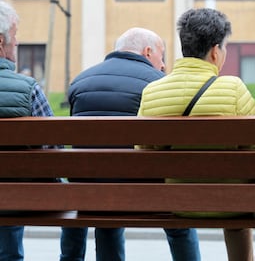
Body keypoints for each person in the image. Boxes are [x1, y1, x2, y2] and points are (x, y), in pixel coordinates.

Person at [138, 7, 255, 261]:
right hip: (231, 202)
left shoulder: (153, 91)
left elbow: (142, 151)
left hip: (177, 202)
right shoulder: (233, 88)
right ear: (215, 51)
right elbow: (254, 148)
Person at [62, 27, 201, 261]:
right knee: (178, 214)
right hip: (145, 190)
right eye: (162, 56)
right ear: (148, 52)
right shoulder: (159, 84)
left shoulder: (80, 81)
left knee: (105, 207)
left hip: (89, 192)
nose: (164, 65)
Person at [0, 0, 57, 260]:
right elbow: (54, 152)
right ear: (1, 42)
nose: (17, 43)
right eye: (15, 36)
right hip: (16, 197)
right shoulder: (28, 88)